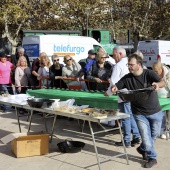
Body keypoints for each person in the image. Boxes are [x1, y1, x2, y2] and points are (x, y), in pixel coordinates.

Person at [111, 53, 165, 168]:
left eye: (131, 64)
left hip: (155, 111)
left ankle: (143, 148)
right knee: (145, 136)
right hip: (139, 113)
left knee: (154, 135)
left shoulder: (149, 73)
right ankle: (152, 157)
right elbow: (117, 85)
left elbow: (162, 82)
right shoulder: (127, 78)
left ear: (139, 65)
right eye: (128, 64)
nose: (129, 67)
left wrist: (157, 85)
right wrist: (114, 88)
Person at [104, 46, 140, 148]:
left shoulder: (119, 65)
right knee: (131, 115)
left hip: (124, 95)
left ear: (120, 54)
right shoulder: (130, 63)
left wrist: (107, 93)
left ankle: (126, 140)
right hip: (133, 93)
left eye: (114, 55)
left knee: (125, 118)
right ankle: (136, 137)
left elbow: (113, 84)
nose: (113, 57)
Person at [152, 61, 170, 139]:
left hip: (168, 97)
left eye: (156, 71)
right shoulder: (155, 74)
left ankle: (167, 131)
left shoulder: (168, 74)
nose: (155, 73)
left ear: (161, 69)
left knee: (168, 116)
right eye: (154, 71)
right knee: (159, 115)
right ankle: (160, 130)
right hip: (159, 98)